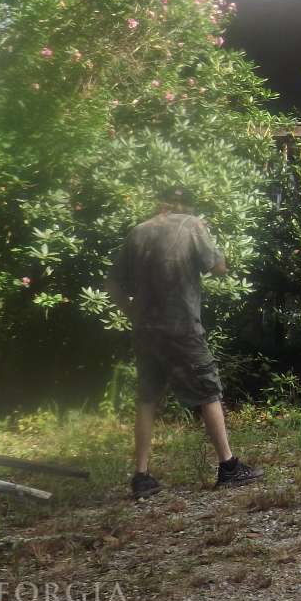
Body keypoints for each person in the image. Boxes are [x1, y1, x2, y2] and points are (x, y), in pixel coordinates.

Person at [106, 187, 262, 499]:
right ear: (186, 205)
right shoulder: (192, 225)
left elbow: (112, 284)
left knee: (147, 397)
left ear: (160, 203)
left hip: (146, 330)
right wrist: (208, 236)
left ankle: (141, 476)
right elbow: (219, 268)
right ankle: (229, 467)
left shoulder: (138, 232)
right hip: (181, 327)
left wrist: (132, 311)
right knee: (208, 390)